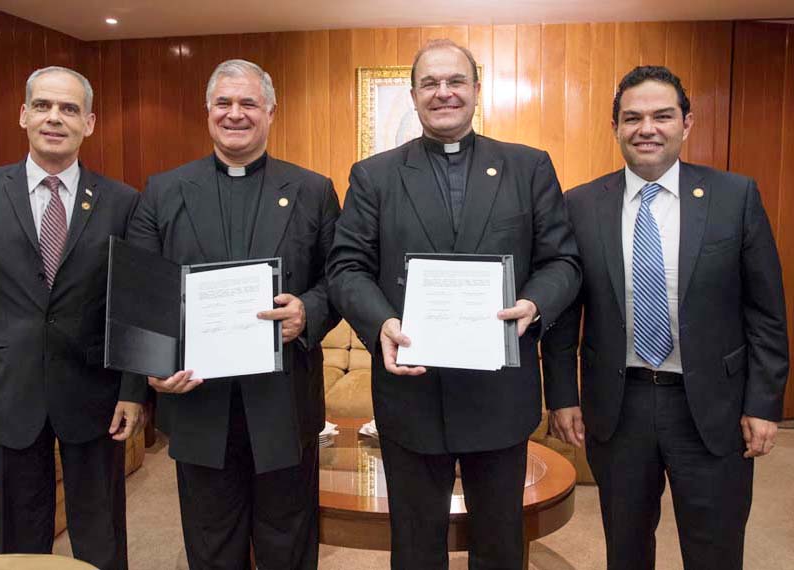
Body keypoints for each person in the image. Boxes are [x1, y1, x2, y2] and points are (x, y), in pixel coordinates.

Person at [326, 39, 581, 569]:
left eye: (455, 81)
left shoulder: (528, 167)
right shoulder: (373, 176)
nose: (443, 93)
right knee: (416, 548)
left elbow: (563, 263)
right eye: (430, 84)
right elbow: (346, 268)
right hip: (411, 394)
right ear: (414, 95)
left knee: (500, 545)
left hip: (499, 396)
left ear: (476, 91)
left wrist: (534, 303)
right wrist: (382, 323)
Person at [541, 65, 789, 570]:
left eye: (662, 115)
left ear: (687, 123)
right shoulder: (582, 204)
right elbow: (565, 315)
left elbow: (765, 312)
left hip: (712, 409)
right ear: (615, 128)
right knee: (626, 548)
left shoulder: (734, 197)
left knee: (715, 549)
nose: (646, 128)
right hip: (620, 404)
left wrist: (764, 403)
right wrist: (563, 395)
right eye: (632, 118)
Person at [127, 59, 340, 570]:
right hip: (200, 402)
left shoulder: (313, 189)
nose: (235, 114)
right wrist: (153, 364)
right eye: (223, 103)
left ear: (270, 111)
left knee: (288, 544)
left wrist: (307, 311)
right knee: (211, 546)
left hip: (284, 402)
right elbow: (141, 291)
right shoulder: (164, 191)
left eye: (248, 103)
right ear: (207, 112)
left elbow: (341, 278)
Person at [0, 66, 145, 570]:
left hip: (95, 396)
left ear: (90, 123)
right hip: (6, 395)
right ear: (23, 115)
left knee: (102, 538)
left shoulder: (122, 201)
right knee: (20, 542)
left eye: (70, 109)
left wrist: (132, 390)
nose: (56, 118)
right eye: (44, 106)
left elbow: (134, 307)